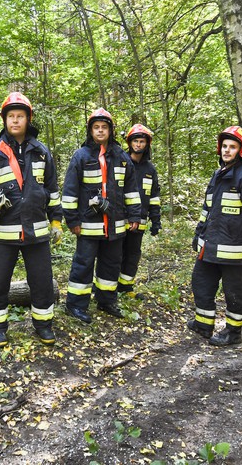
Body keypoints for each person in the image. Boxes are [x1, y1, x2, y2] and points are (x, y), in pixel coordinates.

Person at [0, 92, 63, 347]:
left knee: (42, 282)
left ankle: (44, 325)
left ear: (28, 119)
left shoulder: (42, 152)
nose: (16, 121)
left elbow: (52, 190)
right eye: (11, 116)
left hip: (37, 233)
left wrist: (56, 221)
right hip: (3, 234)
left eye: (20, 116)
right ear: (4, 120)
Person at [187, 126, 242, 346]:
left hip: (235, 250)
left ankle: (233, 333)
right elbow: (208, 209)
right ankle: (204, 324)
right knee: (201, 283)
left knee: (235, 292)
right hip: (210, 247)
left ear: (241, 150)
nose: (227, 150)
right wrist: (198, 234)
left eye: (232, 147)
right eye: (224, 146)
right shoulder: (218, 174)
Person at [62, 108, 142, 323]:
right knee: (83, 264)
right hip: (88, 224)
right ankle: (76, 305)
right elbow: (70, 190)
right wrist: (72, 220)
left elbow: (131, 190)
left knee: (111, 264)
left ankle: (106, 300)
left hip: (115, 224)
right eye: (96, 127)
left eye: (104, 127)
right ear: (90, 130)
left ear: (110, 130)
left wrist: (134, 216)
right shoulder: (80, 156)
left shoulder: (122, 157)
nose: (100, 131)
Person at [116, 124, 162, 300]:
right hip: (121, 219)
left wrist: (156, 220)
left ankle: (126, 287)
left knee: (133, 254)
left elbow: (154, 197)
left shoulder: (150, 170)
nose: (138, 144)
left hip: (140, 220)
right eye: (135, 141)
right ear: (130, 143)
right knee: (115, 254)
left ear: (147, 144)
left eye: (142, 141)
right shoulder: (121, 163)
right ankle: (108, 288)